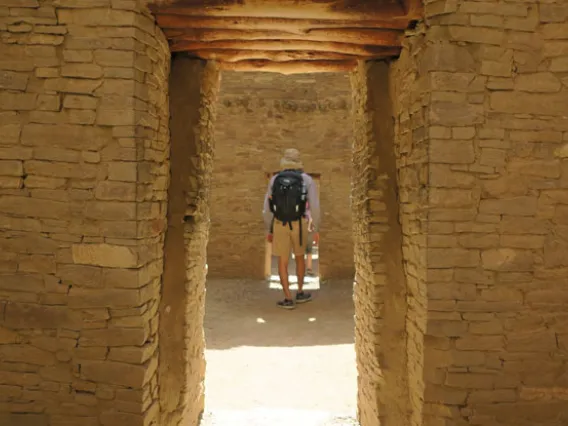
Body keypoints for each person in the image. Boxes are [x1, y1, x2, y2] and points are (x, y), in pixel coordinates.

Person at [263, 148, 320, 309]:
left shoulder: (274, 180)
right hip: (299, 223)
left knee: (282, 260)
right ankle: (300, 292)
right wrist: (315, 226)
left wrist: (270, 228)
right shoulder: (306, 179)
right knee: (300, 257)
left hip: (279, 223)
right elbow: (315, 206)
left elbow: (266, 208)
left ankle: (287, 297)